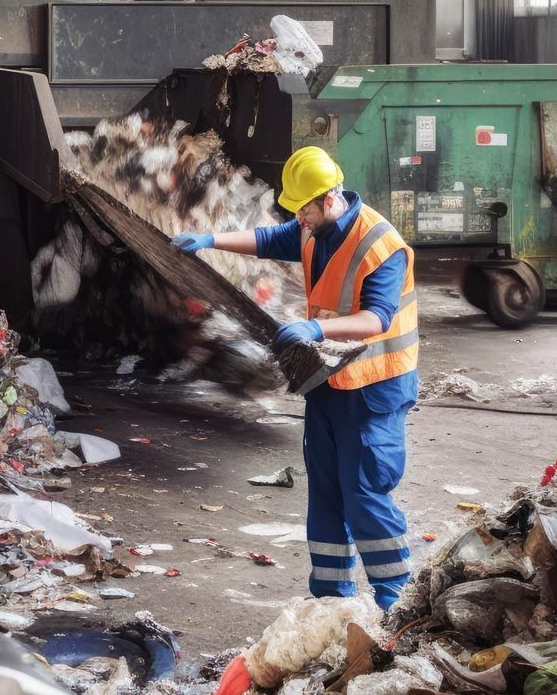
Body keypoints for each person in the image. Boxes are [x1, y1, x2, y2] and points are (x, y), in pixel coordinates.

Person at [172, 146, 417, 612]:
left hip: (373, 389)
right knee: (325, 495)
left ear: (329, 199)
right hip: (326, 381)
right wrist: (209, 241)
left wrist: (315, 328)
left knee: (364, 493)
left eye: (304, 208)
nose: (299, 218)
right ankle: (329, 599)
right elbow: (269, 239)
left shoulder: (379, 245)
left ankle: (396, 600)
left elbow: (377, 318)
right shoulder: (311, 230)